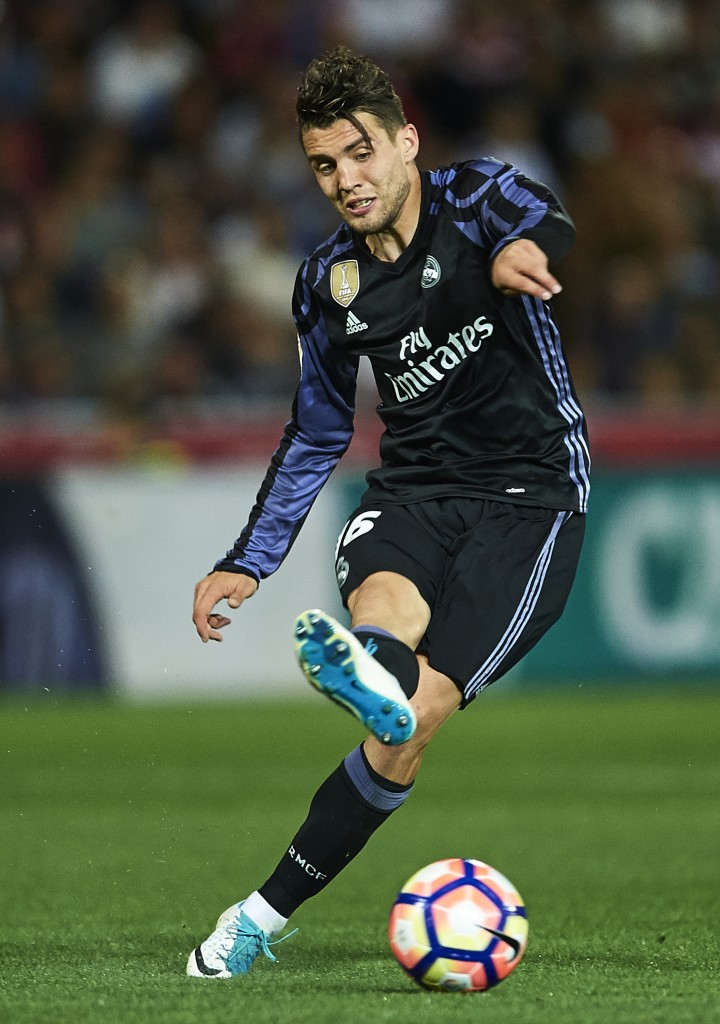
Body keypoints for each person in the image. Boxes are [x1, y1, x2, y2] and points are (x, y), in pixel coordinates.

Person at [187, 46, 590, 979]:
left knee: (415, 719)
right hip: (410, 491)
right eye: (325, 164)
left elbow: (543, 216)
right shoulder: (328, 284)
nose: (347, 180)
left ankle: (260, 911)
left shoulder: (476, 202)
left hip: (530, 500)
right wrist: (249, 559)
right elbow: (316, 434)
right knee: (386, 616)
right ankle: (371, 668)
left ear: (406, 141)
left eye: (361, 152)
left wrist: (529, 251)